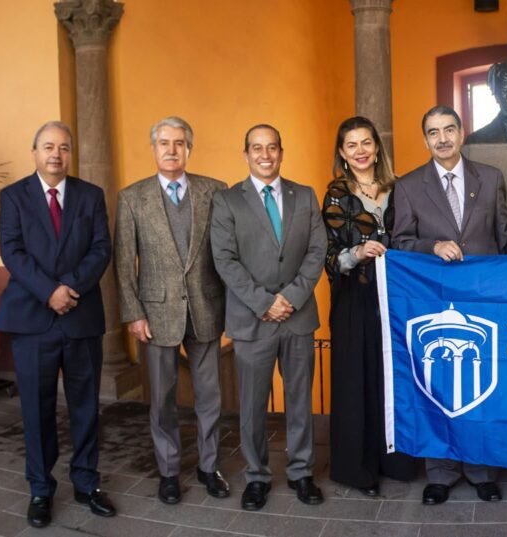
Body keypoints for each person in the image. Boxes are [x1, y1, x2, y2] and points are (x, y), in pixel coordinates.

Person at [392, 105, 507, 505]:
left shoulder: (490, 177)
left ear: (461, 132)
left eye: (449, 129)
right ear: (426, 139)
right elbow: (400, 242)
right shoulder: (409, 185)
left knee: (484, 384)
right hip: (434, 304)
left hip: (486, 301)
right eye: (433, 132)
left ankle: (482, 469)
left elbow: (506, 233)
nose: (443, 138)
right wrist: (432, 246)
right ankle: (441, 472)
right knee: (436, 386)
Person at [0, 121, 116, 527]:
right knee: (37, 409)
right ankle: (40, 490)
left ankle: (86, 483)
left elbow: (102, 248)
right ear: (34, 152)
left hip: (81, 318)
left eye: (64, 147)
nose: (56, 154)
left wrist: (71, 288)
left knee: (85, 408)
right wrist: (50, 291)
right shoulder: (13, 197)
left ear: (71, 153)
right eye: (48, 146)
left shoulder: (90, 196)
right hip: (33, 320)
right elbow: (12, 251)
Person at [210, 124, 328, 510]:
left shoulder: (305, 196)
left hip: (297, 317)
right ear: (245, 154)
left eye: (272, 147)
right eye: (257, 148)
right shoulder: (227, 201)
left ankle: (301, 472)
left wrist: (290, 297)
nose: (265, 155)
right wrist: (265, 302)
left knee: (299, 401)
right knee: (253, 405)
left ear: (281, 151)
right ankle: (257, 477)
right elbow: (224, 260)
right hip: (252, 320)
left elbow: (316, 251)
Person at [115, 117, 229, 505]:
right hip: (156, 311)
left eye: (179, 143)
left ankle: (208, 466)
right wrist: (133, 312)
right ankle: (167, 471)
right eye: (164, 142)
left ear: (189, 149)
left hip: (206, 306)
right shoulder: (133, 197)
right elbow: (123, 261)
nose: (171, 150)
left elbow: (226, 255)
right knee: (162, 398)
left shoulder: (215, 191)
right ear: (153, 148)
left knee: (210, 396)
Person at [321, 116, 417, 496]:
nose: (360, 151)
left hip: (397, 300)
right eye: (351, 145)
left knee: (394, 379)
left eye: (366, 143)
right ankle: (358, 470)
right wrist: (356, 252)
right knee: (357, 381)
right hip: (355, 299)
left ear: (377, 147)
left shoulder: (402, 189)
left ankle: (396, 460)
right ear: (342, 154)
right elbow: (326, 255)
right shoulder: (335, 195)